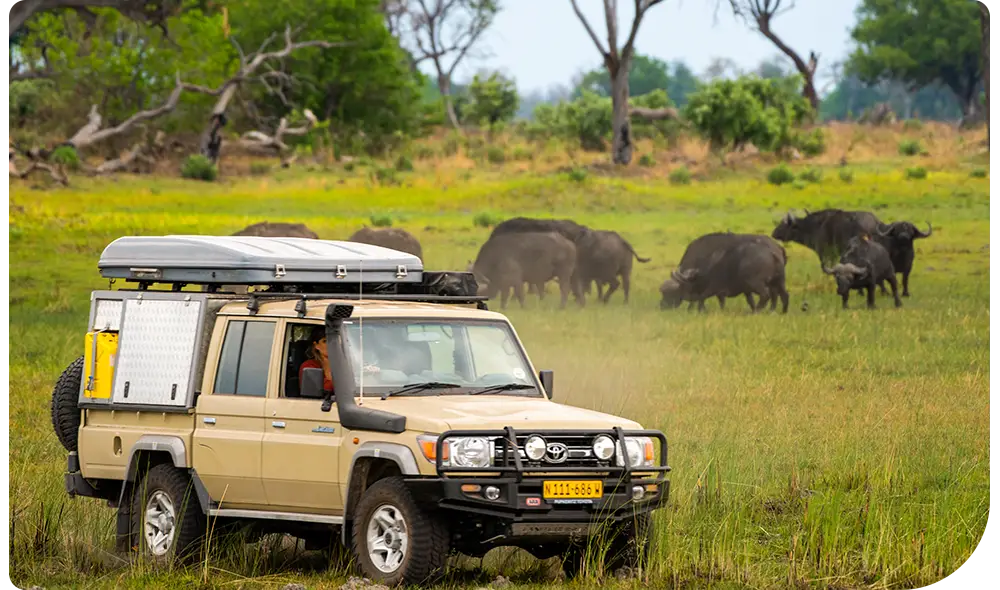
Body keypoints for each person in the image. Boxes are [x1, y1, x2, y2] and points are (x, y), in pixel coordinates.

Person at [299, 326, 333, 392]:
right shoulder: (309, 366)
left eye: (334, 340)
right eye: (325, 341)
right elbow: (320, 389)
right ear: (316, 345)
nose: (331, 344)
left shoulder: (346, 364)